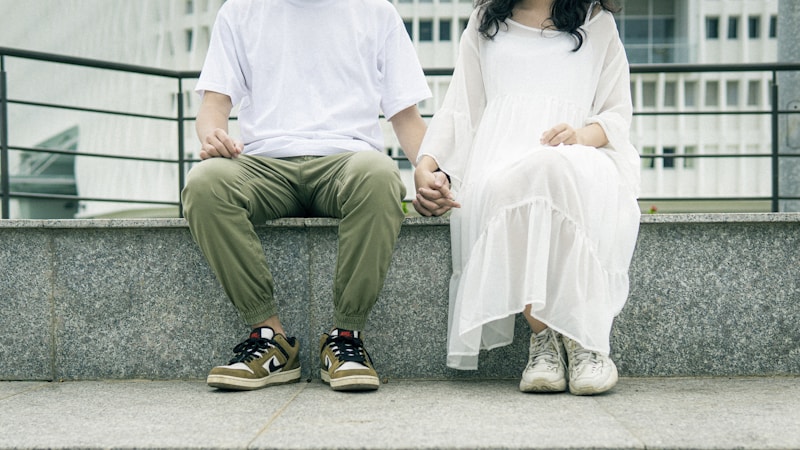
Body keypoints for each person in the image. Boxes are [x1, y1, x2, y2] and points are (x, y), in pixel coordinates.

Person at [181, 0, 431, 392]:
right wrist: (213, 134)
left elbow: (405, 115)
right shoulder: (240, 10)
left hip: (347, 161)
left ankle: (345, 339)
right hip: (263, 164)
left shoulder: (376, 10)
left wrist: (431, 171)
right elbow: (214, 104)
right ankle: (270, 339)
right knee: (204, 183)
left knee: (381, 173)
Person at [413, 0, 640, 395]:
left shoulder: (595, 22)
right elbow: (460, 108)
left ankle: (583, 342)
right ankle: (545, 339)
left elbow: (616, 112)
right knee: (518, 182)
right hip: (499, 164)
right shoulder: (486, 22)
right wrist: (427, 165)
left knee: (551, 169)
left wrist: (579, 137)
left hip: (578, 158)